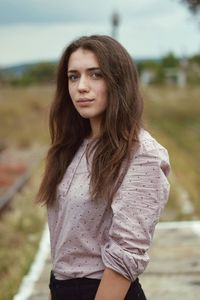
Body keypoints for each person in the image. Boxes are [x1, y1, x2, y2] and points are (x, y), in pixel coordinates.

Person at [37, 35, 170, 300]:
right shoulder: (70, 147)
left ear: (118, 82)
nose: (81, 87)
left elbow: (126, 253)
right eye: (73, 77)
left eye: (95, 75)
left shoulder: (141, 154)